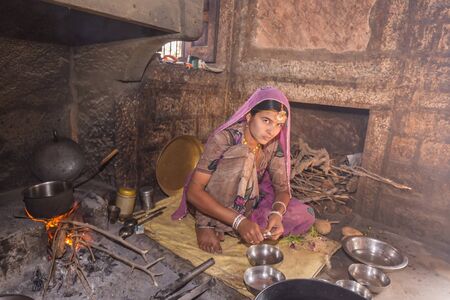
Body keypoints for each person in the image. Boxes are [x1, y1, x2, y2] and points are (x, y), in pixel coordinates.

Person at [172, 87, 315, 253]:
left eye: (279, 125)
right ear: (249, 116)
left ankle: (235, 224)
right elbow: (194, 191)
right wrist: (239, 222)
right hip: (212, 197)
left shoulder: (273, 144)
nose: (271, 131)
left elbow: (282, 189)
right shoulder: (224, 139)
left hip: (247, 200)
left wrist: (276, 214)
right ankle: (206, 223)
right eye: (266, 120)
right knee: (244, 156)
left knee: (305, 215)